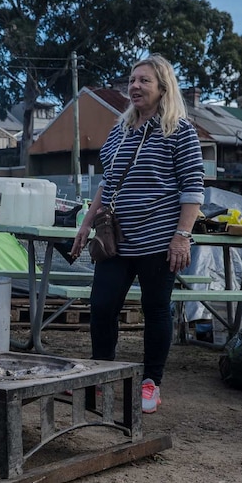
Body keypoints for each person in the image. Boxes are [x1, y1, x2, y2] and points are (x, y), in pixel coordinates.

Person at [70, 54, 204, 414]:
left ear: (163, 87)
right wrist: (86, 223)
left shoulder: (180, 130)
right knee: (101, 306)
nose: (135, 86)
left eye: (144, 80)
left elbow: (193, 188)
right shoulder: (121, 129)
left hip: (160, 239)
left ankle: (151, 383)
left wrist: (182, 236)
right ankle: (101, 378)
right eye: (132, 80)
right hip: (116, 238)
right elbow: (108, 182)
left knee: (156, 308)